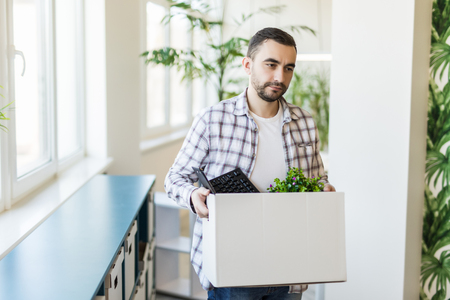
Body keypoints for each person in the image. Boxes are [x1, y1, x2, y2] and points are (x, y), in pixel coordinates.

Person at [165, 27, 335, 300]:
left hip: (289, 265)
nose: (280, 77)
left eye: (289, 68)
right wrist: (193, 195)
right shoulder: (213, 119)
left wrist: (324, 191)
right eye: (271, 64)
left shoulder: (305, 121)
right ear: (247, 65)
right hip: (233, 265)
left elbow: (317, 180)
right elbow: (174, 179)